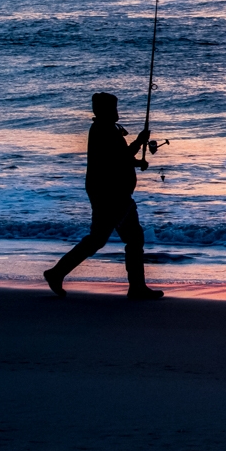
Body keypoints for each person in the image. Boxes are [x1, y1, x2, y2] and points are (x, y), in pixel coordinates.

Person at [43, 92, 164, 300]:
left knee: (110, 239)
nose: (117, 112)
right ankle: (135, 288)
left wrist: (137, 163)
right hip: (111, 195)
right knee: (123, 239)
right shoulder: (103, 130)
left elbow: (114, 160)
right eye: (114, 108)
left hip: (111, 194)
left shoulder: (105, 129)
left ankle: (58, 273)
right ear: (105, 111)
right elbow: (120, 158)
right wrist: (139, 141)